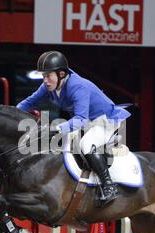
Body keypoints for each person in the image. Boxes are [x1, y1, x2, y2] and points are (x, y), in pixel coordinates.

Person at [16, 51, 131, 206]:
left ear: (61, 74)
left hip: (106, 120)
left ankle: (109, 186)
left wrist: (56, 129)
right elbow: (29, 102)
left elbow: (81, 119)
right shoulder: (48, 85)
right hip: (88, 121)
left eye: (48, 76)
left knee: (86, 144)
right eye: (43, 76)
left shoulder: (78, 87)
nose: (45, 81)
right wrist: (11, 113)